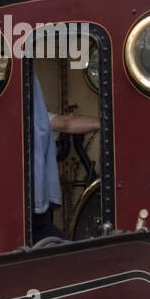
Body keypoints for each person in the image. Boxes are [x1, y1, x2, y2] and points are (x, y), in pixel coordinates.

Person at [30, 74, 97, 242]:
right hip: (35, 207)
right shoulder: (36, 117)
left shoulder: (35, 116)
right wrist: (107, 121)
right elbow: (65, 124)